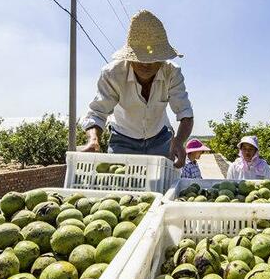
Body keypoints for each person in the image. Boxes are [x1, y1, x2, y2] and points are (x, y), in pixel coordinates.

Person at [80, 10, 194, 168]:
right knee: (121, 186)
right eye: (140, 59)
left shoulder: (172, 72)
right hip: (123, 140)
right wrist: (93, 140)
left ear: (162, 59)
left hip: (160, 138)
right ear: (129, 57)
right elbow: (97, 113)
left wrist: (179, 142)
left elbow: (185, 114)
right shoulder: (112, 73)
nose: (146, 65)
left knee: (160, 186)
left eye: (152, 60)